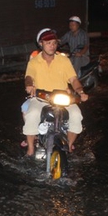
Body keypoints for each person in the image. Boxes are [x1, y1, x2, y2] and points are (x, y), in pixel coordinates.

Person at [22, 29, 89, 157]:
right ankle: (30, 148)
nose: (52, 46)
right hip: (41, 98)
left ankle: (69, 146)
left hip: (62, 98)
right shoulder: (34, 62)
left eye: (54, 43)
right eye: (48, 43)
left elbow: (74, 79)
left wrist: (81, 91)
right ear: (41, 44)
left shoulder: (64, 61)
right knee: (32, 114)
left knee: (76, 114)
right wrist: (29, 86)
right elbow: (29, 77)